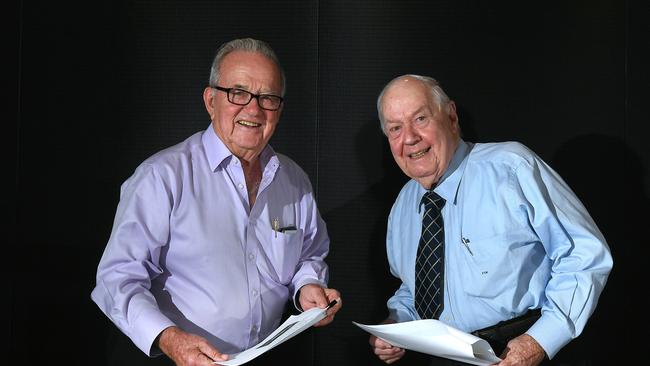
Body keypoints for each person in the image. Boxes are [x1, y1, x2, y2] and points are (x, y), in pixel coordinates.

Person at [91, 38, 342, 366]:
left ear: (279, 109)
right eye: (238, 93)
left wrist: (307, 285)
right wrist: (170, 339)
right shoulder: (163, 176)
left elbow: (309, 252)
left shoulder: (295, 182)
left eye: (267, 98)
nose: (253, 109)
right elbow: (117, 278)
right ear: (211, 101)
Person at [369, 75, 612, 366]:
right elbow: (415, 287)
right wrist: (396, 324)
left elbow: (584, 254)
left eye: (420, 118)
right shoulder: (404, 205)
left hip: (520, 353)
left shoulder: (510, 168)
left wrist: (541, 340)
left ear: (451, 116)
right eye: (395, 128)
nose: (409, 137)